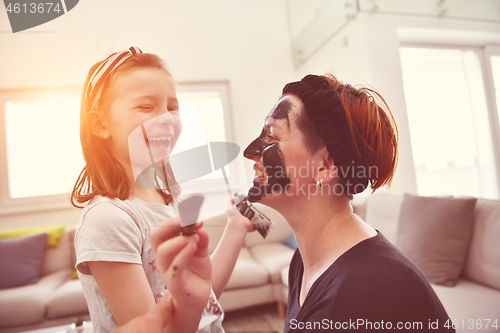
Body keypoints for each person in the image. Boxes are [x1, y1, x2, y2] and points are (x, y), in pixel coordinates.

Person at [242, 74, 454, 332]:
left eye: (272, 137)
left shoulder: (381, 286)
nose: (250, 151)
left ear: (325, 166)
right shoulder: (302, 262)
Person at [71, 47, 254, 333]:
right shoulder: (108, 220)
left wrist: (235, 228)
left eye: (172, 108)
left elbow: (199, 295)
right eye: (146, 106)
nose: (167, 118)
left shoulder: (168, 200)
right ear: (100, 123)